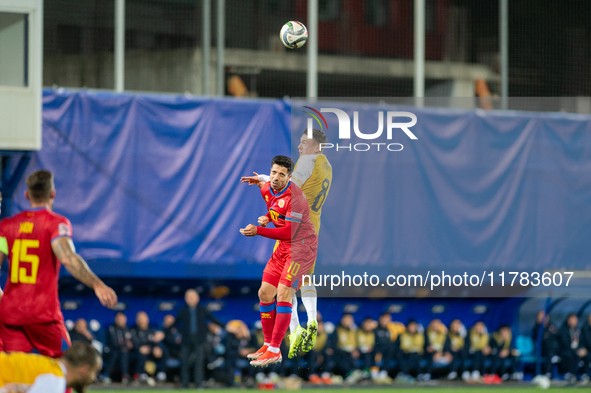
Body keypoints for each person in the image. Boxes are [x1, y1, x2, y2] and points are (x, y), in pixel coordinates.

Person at [0, 170, 117, 358]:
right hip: (42, 314)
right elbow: (68, 258)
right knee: (66, 368)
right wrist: (97, 284)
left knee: (15, 376)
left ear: (27, 195)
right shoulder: (55, 223)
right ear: (52, 193)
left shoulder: (6, 226)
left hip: (12, 315)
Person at [241, 129, 332, 358]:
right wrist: (270, 214)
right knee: (272, 290)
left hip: (297, 235)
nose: (301, 147)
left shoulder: (307, 163)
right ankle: (309, 320)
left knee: (285, 290)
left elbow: (292, 187)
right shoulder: (327, 166)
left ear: (317, 147)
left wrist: (261, 228)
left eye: (305, 143)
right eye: (300, 142)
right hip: (309, 224)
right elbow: (277, 189)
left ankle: (288, 336)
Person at [0, 341, 102, 393]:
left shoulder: (49, 368)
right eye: (94, 372)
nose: (94, 378)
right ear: (85, 370)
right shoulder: (55, 380)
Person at [173, 289, 224, 388]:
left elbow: (213, 319)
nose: (190, 299)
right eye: (188, 297)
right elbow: (175, 324)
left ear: (197, 298)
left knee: (199, 363)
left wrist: (226, 326)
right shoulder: (182, 310)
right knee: (184, 363)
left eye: (192, 296)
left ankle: (198, 384)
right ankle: (184, 385)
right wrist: (164, 332)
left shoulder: (202, 309)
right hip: (186, 340)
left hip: (199, 340)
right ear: (185, 299)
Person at [130, 311, 164, 384]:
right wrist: (139, 348)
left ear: (147, 320)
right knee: (142, 354)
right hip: (136, 353)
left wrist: (156, 348)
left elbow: (155, 342)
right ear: (137, 320)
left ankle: (161, 374)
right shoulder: (133, 330)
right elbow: (133, 343)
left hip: (150, 352)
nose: (142, 321)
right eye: (140, 319)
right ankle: (141, 375)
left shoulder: (151, 330)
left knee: (162, 351)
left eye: (144, 319)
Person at [103, 312, 132, 384]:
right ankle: (106, 375)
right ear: (115, 319)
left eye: (122, 319)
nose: (121, 320)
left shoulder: (128, 329)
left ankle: (127, 376)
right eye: (119, 319)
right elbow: (114, 342)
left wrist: (128, 345)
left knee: (124, 352)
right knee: (117, 352)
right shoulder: (112, 328)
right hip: (111, 350)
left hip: (126, 352)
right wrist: (124, 345)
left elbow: (132, 342)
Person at [557, 313, 587, 383]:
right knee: (571, 355)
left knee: (587, 355)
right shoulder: (564, 329)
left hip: (577, 350)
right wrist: (576, 350)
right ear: (568, 320)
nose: (574, 321)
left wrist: (582, 348)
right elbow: (564, 342)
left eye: (575, 319)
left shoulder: (578, 330)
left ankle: (584, 374)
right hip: (566, 350)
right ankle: (570, 374)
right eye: (573, 319)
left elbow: (582, 341)